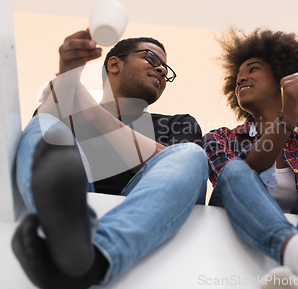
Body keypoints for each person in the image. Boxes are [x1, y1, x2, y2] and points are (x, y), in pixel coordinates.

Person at [12, 29, 208, 289]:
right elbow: (40, 133)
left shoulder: (178, 123)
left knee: (192, 154)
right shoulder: (66, 112)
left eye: (166, 69)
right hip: (79, 205)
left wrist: (90, 112)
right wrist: (69, 79)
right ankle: (63, 232)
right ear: (114, 63)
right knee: (45, 124)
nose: (162, 70)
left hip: (143, 209)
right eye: (152, 58)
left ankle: (96, 258)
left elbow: (181, 169)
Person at [202, 28, 298, 289]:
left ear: (284, 77)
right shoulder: (220, 138)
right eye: (238, 77)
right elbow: (241, 174)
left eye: (252, 69)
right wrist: (287, 120)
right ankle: (297, 256)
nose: (241, 79)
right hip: (236, 220)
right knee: (236, 170)